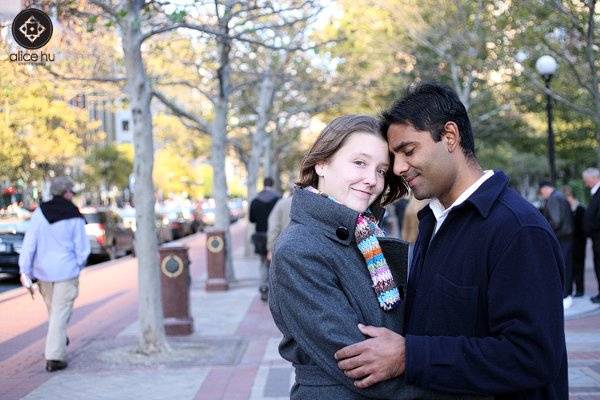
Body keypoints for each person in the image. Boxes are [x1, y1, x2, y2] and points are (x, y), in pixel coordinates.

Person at [335, 82, 567, 400]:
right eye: (395, 156)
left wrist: (410, 355)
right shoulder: (433, 221)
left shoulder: (518, 230)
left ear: (449, 137)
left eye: (408, 150)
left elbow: (533, 356)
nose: (399, 168)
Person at [269, 115, 484, 400]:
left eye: (382, 170)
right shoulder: (299, 250)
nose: (372, 180)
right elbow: (362, 367)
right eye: (359, 163)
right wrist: (469, 388)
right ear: (321, 163)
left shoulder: (363, 235)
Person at [19, 176, 90, 372]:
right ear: (66, 192)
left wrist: (24, 269)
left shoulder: (39, 213)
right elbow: (82, 247)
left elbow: (29, 243)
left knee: (55, 312)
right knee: (60, 313)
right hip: (66, 271)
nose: (72, 196)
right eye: (71, 192)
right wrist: (78, 265)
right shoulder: (73, 214)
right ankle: (55, 357)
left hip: (43, 273)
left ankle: (57, 339)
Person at [538, 181, 574, 306]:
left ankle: (565, 296)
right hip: (567, 237)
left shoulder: (554, 198)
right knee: (567, 266)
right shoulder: (560, 196)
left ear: (545, 189)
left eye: (541, 192)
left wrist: (545, 229)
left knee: (563, 267)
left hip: (561, 238)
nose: (542, 195)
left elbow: (556, 221)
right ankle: (567, 294)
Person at [249, 177, 280, 301]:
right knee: (275, 263)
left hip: (260, 235)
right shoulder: (278, 199)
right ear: (273, 184)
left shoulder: (255, 200)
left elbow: (251, 219)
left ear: (263, 184)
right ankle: (274, 289)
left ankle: (263, 287)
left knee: (262, 262)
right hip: (276, 235)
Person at [563, 185, 586, 297]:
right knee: (571, 266)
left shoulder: (580, 208)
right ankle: (572, 289)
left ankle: (580, 289)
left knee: (579, 266)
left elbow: (583, 227)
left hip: (579, 242)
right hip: (571, 242)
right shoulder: (567, 208)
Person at [582, 167, 600, 304]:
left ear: (594, 178)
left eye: (586, 180)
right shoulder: (595, 193)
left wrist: (592, 228)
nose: (585, 183)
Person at [266, 190, 293, 263]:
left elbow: (274, 228)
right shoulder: (311, 204)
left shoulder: (281, 204)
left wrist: (270, 249)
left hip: (284, 248)